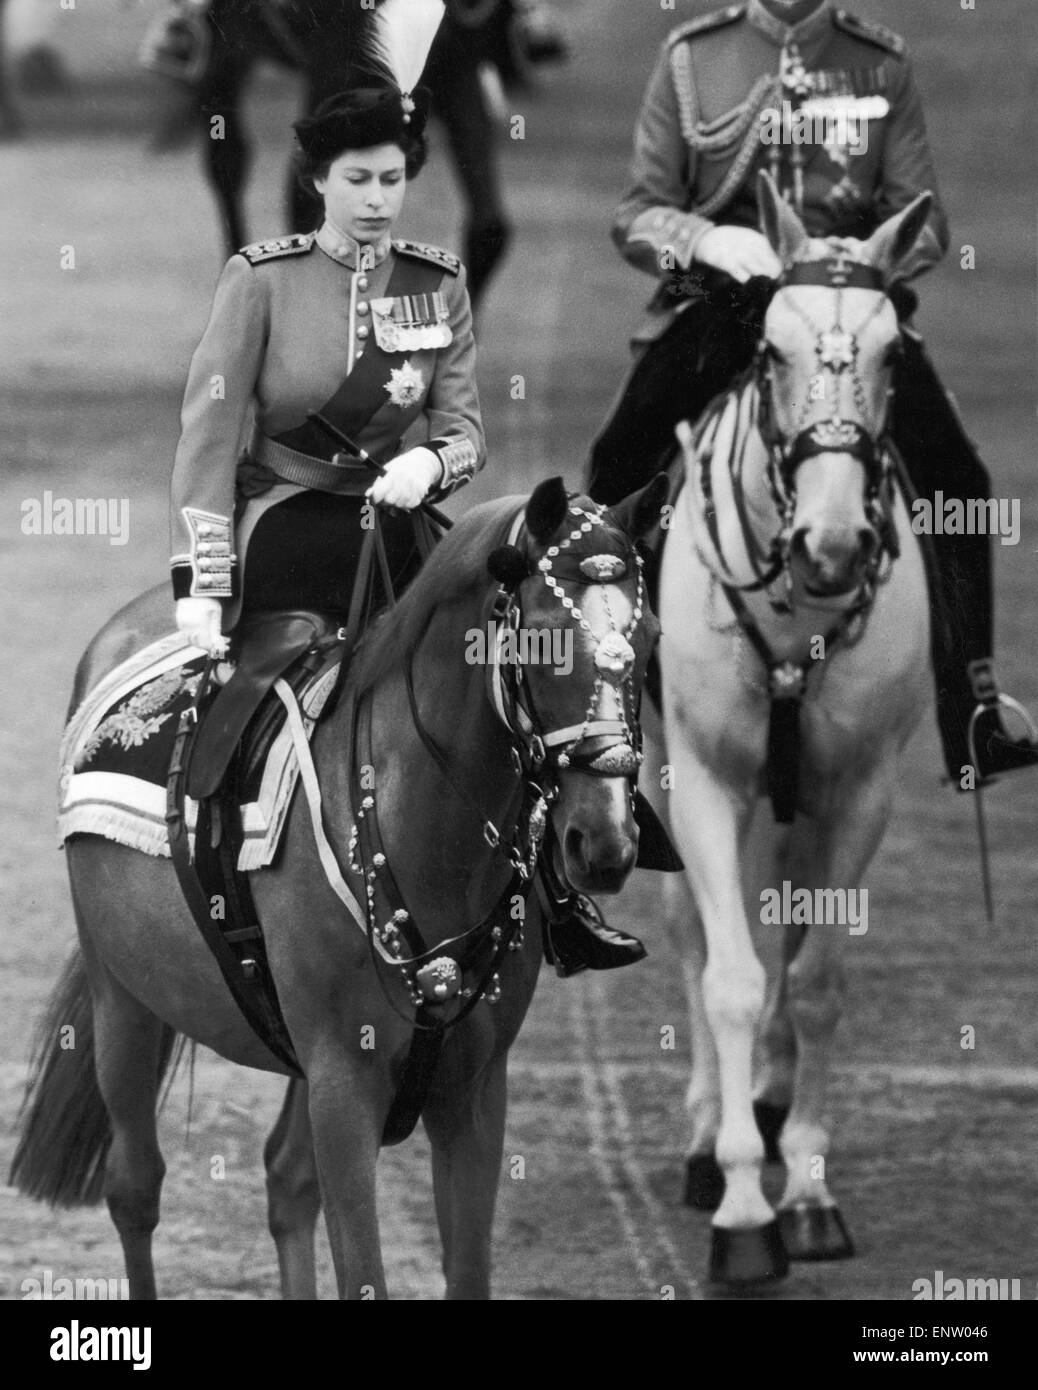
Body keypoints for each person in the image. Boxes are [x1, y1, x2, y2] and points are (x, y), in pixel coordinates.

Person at [169, 18, 643, 973]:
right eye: (359, 181)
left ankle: (557, 900)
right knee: (239, 720)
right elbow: (209, 439)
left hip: (410, 537)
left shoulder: (440, 286)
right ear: (318, 183)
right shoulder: (259, 284)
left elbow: (466, 428)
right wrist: (200, 579)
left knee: (513, 696)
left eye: (392, 179)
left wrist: (435, 467)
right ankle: (220, 889)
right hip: (292, 530)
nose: (379, 200)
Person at [588, 0, 1038, 788]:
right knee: (617, 462)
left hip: (848, 308)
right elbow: (637, 214)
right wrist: (706, 240)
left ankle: (971, 708)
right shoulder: (693, 55)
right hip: (726, 305)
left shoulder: (881, 62)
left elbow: (925, 218)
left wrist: (866, 257)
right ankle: (611, 704)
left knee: (956, 477)